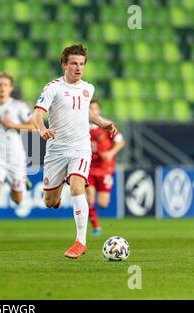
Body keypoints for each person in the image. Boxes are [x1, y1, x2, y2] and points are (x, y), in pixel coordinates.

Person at [33, 44, 117, 259]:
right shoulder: (53, 87)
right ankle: (57, 192)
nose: (78, 68)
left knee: (78, 186)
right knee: (50, 202)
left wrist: (102, 122)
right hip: (56, 150)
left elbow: (85, 111)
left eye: (81, 64)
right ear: (64, 65)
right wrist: (42, 129)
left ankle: (81, 241)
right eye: (73, 64)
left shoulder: (88, 88)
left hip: (80, 147)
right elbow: (38, 112)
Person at [0, 72, 35, 241]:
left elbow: (35, 126)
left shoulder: (19, 106)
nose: (2, 87)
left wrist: (14, 125)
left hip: (15, 158)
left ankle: (21, 182)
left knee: (17, 199)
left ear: (11, 88)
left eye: (5, 85)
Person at [87, 99, 125, 236]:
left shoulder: (105, 124)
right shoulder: (81, 125)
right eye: (90, 109)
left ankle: (96, 222)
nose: (93, 111)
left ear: (99, 111)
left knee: (103, 204)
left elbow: (120, 142)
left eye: (95, 109)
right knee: (89, 198)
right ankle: (96, 227)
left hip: (105, 168)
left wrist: (110, 153)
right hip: (88, 167)